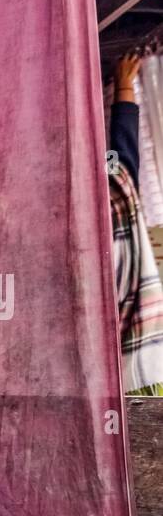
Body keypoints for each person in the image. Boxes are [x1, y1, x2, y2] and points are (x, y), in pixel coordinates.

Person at [108, 54, 163, 395]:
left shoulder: (117, 195)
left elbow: (122, 157)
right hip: (143, 366)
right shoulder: (118, 196)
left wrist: (125, 86)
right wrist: (125, 86)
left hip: (139, 369)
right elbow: (122, 156)